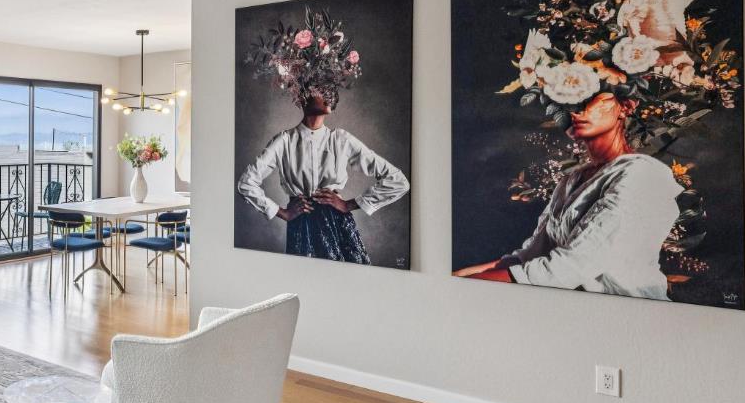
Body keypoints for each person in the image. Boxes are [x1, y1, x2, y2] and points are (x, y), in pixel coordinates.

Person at [454, 91, 680, 299]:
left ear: (626, 106)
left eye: (594, 96)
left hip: (633, 319)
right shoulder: (570, 181)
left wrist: (467, 286)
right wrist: (460, 276)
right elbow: (531, 255)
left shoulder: (642, 174)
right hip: (576, 313)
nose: (577, 109)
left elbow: (570, 268)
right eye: (570, 97)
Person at [238, 86, 409, 263]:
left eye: (330, 89)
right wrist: (281, 212)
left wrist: (350, 204)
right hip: (302, 228)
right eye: (320, 89)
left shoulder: (341, 139)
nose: (329, 94)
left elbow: (398, 181)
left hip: (338, 226)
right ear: (303, 95)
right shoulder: (284, 141)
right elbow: (246, 184)